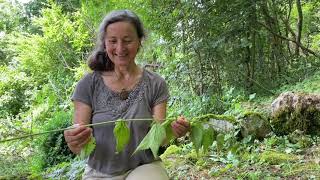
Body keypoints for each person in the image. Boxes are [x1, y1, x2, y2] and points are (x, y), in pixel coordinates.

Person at [63, 9, 190, 180]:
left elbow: (159, 140)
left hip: (144, 167)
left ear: (139, 41)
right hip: (100, 173)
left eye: (128, 40)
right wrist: (74, 140)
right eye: (113, 41)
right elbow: (80, 148)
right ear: (105, 44)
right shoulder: (87, 85)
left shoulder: (155, 84)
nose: (120, 48)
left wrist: (174, 131)